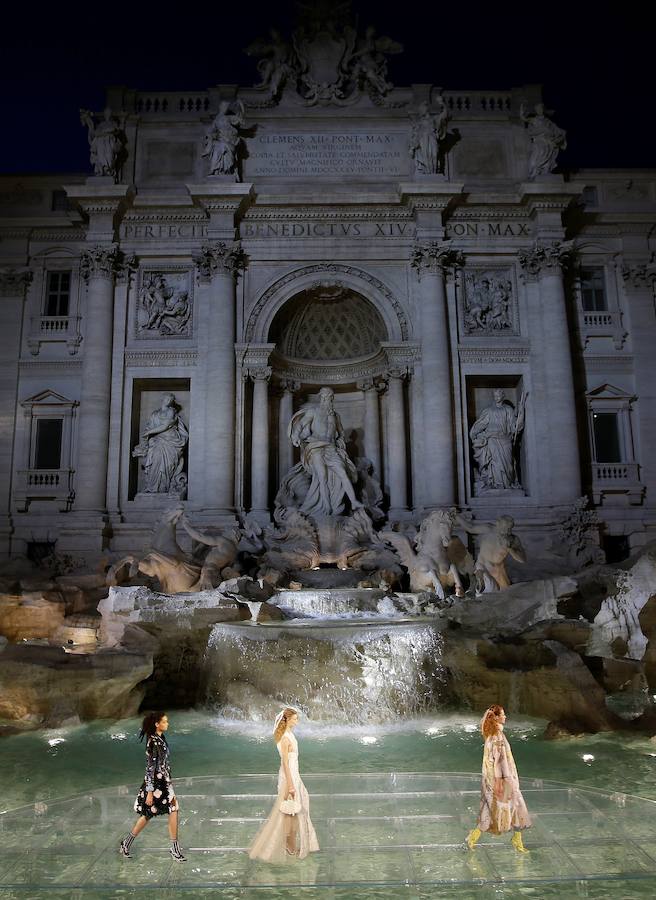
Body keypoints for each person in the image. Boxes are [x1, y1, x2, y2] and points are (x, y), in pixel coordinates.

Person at [248, 707, 319, 863]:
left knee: (296, 809)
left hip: (294, 775)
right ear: (287, 720)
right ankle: (289, 845)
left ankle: (292, 844)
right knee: (289, 813)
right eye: (294, 718)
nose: (297, 721)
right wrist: (291, 785)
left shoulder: (289, 735)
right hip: (289, 778)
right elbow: (285, 764)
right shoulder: (286, 738)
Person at [119, 712, 186, 862]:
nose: (167, 723)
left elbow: (163, 765)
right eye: (165, 721)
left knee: (171, 810)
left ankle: (173, 848)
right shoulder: (153, 742)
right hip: (156, 786)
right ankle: (127, 843)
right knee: (150, 814)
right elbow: (150, 768)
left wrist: (168, 781)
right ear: (157, 724)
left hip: (164, 783)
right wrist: (149, 792)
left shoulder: (160, 738)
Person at [467, 705, 531, 853]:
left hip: (497, 779)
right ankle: (475, 837)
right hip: (502, 780)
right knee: (510, 807)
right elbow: (499, 761)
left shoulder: (493, 734)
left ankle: (515, 838)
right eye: (503, 715)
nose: (505, 717)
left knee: (502, 808)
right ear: (496, 717)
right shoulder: (497, 737)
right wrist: (501, 782)